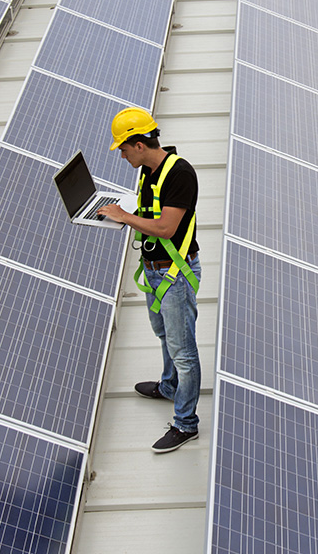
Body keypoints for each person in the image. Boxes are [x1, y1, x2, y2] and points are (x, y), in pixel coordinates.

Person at [98, 107, 201, 454]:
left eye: (124, 149)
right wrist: (116, 212)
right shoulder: (149, 171)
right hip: (155, 270)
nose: (123, 155)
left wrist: (123, 217)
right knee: (164, 335)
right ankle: (170, 387)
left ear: (139, 144)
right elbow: (149, 211)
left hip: (174, 275)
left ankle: (186, 424)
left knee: (183, 351)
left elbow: (166, 228)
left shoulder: (179, 174)